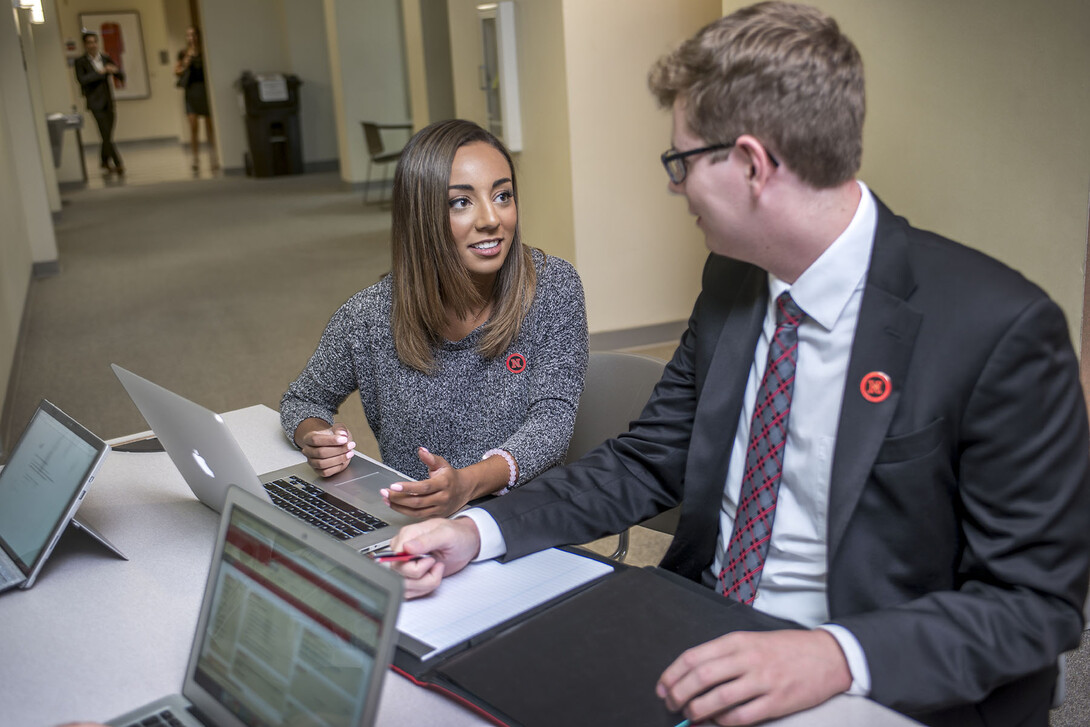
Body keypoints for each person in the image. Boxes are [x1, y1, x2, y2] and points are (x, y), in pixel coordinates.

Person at [388, 4, 1090, 727]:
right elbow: (645, 460)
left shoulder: (997, 327)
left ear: (752, 164)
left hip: (870, 686)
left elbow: (1035, 603)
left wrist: (833, 654)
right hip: (696, 634)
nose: (674, 187)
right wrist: (482, 531)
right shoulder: (733, 283)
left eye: (680, 162)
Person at [281, 119, 588, 520]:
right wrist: (316, 438)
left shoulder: (552, 288)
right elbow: (304, 399)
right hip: (415, 526)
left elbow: (552, 422)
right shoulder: (371, 315)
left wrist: (468, 484)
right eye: (461, 202)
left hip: (520, 523)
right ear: (421, 216)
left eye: (503, 195)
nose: (491, 219)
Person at [74, 31, 124, 175]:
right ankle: (118, 162)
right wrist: (101, 73)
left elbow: (120, 75)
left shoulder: (105, 58)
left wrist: (114, 71)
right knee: (105, 132)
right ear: (85, 45)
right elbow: (82, 80)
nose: (92, 45)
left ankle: (103, 161)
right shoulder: (81, 62)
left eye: (94, 42)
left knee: (107, 134)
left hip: (108, 101)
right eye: (89, 43)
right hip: (95, 102)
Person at [174, 26, 217, 172]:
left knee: (210, 126)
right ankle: (195, 158)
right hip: (191, 92)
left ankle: (215, 155)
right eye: (188, 35)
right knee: (193, 127)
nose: (191, 38)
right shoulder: (183, 53)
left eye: (194, 35)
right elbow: (177, 71)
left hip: (204, 91)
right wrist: (186, 62)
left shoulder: (206, 52)